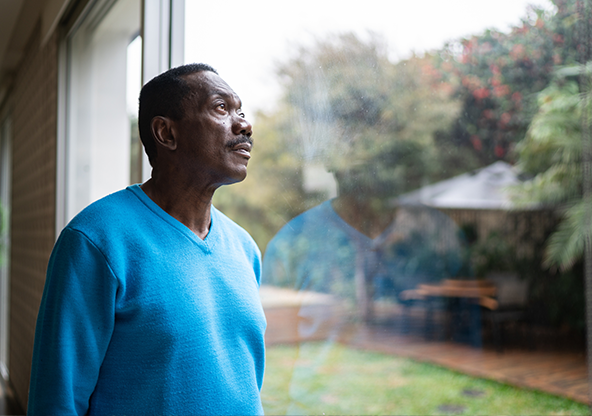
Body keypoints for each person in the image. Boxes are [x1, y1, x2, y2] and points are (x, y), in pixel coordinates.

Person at [27, 64, 266, 415]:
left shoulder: (245, 248)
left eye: (241, 110)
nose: (244, 124)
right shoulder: (94, 240)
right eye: (221, 108)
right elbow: (56, 400)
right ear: (166, 133)